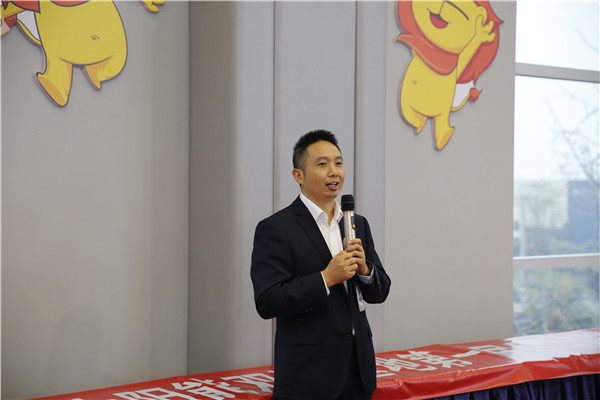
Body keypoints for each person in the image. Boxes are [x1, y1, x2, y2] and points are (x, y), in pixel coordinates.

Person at [250, 129, 392, 400]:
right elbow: (267, 301)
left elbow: (380, 291)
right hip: (308, 377)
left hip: (358, 373)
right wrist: (326, 278)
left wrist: (365, 271)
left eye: (338, 163)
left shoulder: (356, 223)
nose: (334, 172)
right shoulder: (276, 228)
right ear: (299, 175)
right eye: (322, 164)